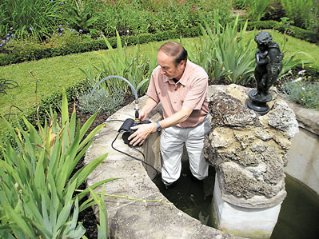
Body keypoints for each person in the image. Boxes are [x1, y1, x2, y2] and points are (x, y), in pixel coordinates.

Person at [128, 41, 211, 187]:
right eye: (160, 65)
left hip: (196, 129)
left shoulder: (199, 77)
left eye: (166, 67)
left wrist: (154, 126)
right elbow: (154, 97)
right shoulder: (158, 72)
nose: (161, 71)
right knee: (169, 173)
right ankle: (170, 187)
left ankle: (199, 186)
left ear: (182, 64)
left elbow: (185, 114)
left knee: (200, 172)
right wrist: (145, 110)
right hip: (171, 129)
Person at [253, 31, 283, 101]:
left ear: (265, 44)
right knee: (259, 83)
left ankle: (263, 95)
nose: (258, 46)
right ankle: (259, 93)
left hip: (267, 72)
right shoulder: (262, 51)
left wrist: (269, 78)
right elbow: (258, 61)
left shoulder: (273, 50)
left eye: (260, 45)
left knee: (263, 83)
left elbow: (274, 67)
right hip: (260, 70)